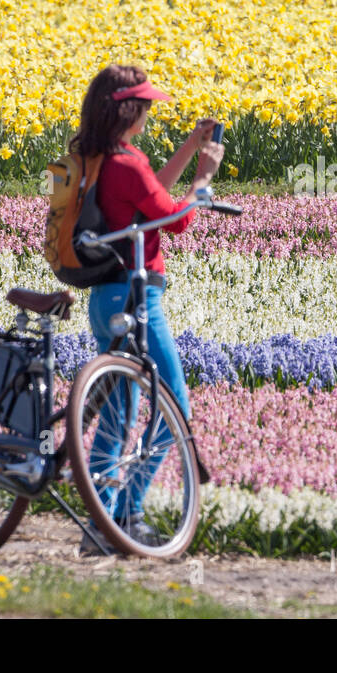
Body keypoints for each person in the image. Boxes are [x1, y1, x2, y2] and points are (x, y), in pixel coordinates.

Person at [67, 63, 223, 555]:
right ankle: (128, 512)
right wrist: (204, 178)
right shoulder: (125, 163)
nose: (151, 114)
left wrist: (187, 148)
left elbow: (147, 196)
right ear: (131, 110)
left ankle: (101, 525)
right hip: (138, 298)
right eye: (147, 106)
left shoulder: (96, 157)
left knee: (118, 409)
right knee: (173, 401)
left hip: (102, 297)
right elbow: (173, 220)